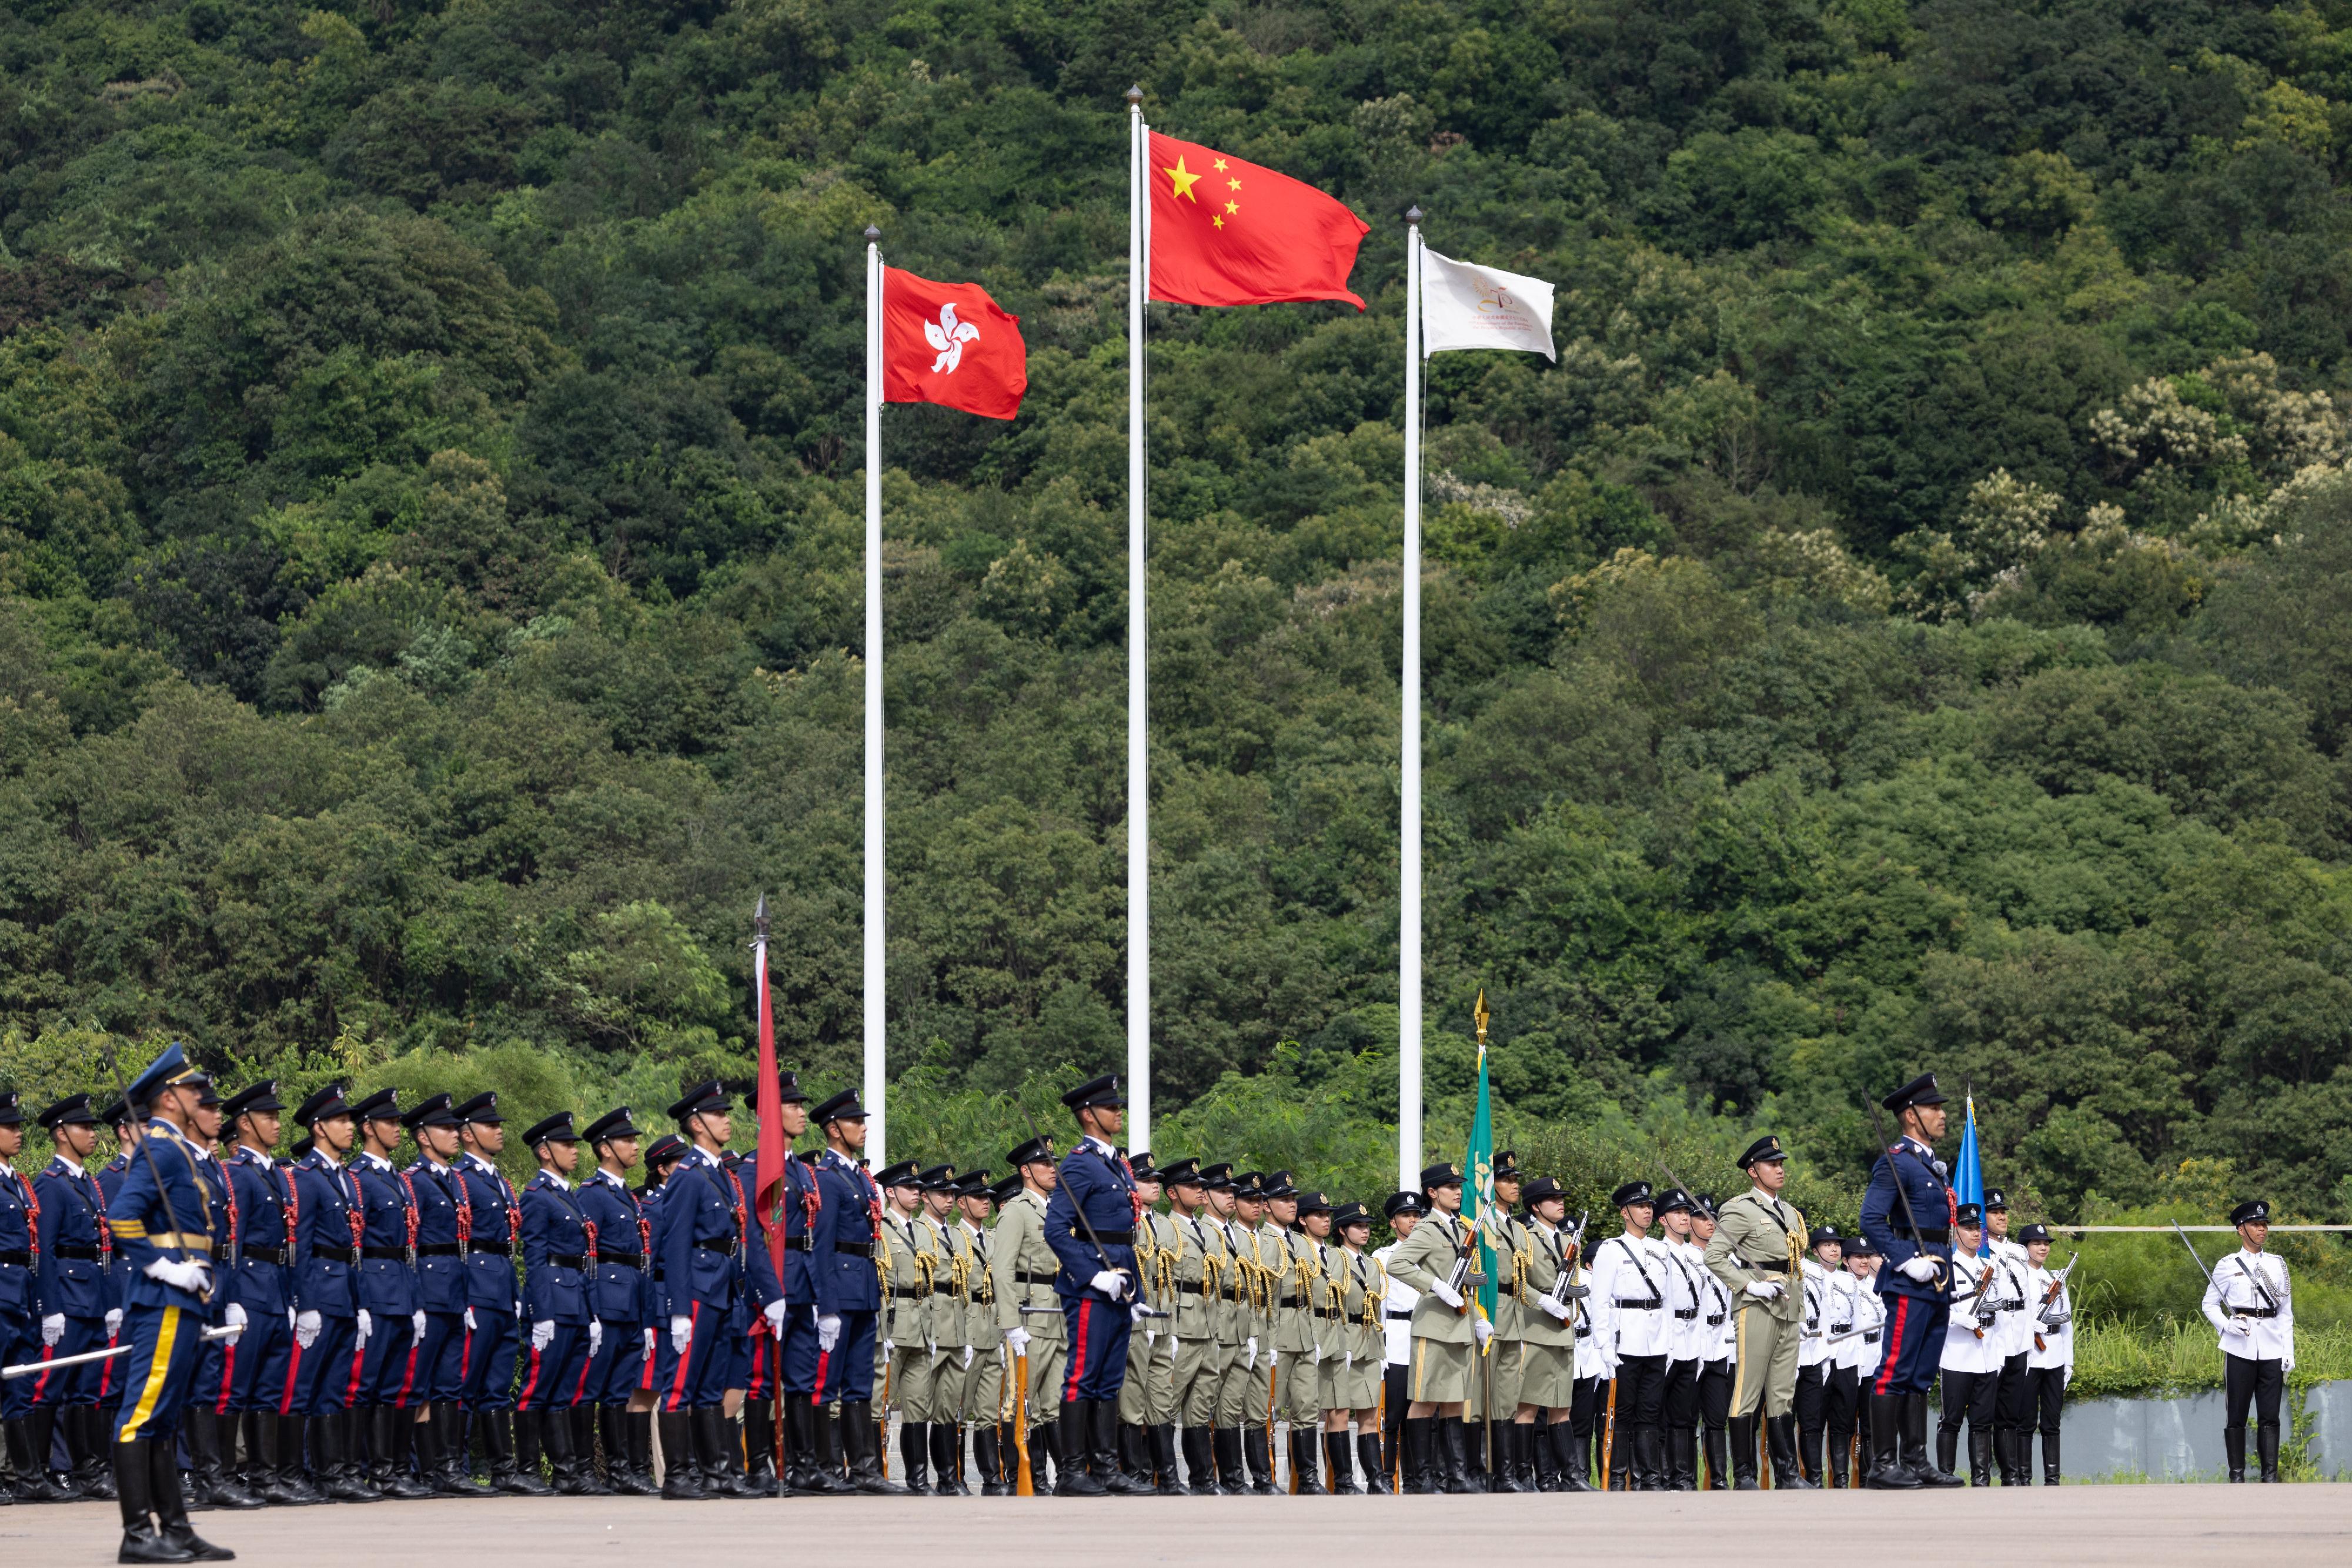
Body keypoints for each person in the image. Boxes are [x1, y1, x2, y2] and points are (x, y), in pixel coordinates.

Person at [106, 1042, 238, 1564]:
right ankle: (137, 1534)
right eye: (191, 1089)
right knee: (141, 1415)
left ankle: (176, 1528)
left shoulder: (177, 1148)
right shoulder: (161, 1147)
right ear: (168, 1098)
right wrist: (165, 1267)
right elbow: (122, 1216)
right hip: (164, 1297)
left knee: (164, 1417)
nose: (200, 1096)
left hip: (183, 1301)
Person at [652, 1082, 786, 1499]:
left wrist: (771, 1293)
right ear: (696, 1123)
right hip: (697, 1286)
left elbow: (747, 1237)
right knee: (681, 1384)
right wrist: (677, 1308)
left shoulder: (722, 1176)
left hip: (725, 1287)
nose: (727, 1118)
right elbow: (673, 1244)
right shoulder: (688, 1177)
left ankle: (717, 1473)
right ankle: (678, 1476)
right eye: (718, 1113)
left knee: (712, 1385)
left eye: (727, 1112)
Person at [1857, 1073, 1962, 1489]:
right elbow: (1870, 1219)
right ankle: (1882, 1464)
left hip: (1938, 1279)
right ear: (1911, 1115)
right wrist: (1905, 1261)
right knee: (1894, 1370)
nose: (1943, 1114)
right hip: (1910, 1281)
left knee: (1921, 1373)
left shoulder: (1931, 1165)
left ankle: (1915, 1460)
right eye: (1934, 1108)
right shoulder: (1896, 1161)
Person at [1041, 1074, 1143, 1496]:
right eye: (1110, 1107)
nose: (1119, 1111)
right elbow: (1056, 1229)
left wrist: (1135, 1290)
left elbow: (1125, 1235)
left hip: (1119, 1285)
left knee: (1108, 1379)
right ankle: (1071, 1471)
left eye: (1118, 1106)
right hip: (1090, 1288)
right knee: (1082, 1376)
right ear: (1088, 1114)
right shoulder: (1080, 1162)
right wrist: (1093, 1275)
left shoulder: (1114, 1162)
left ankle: (1105, 1467)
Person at [1701, 1134, 1810, 1489]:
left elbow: (1796, 1264)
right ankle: (1745, 1474)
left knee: (1783, 1393)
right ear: (1753, 1171)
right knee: (1748, 1390)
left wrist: (1801, 1310)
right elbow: (1714, 1255)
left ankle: (1788, 1474)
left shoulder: (1792, 1213)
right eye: (1771, 1164)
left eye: (1781, 1164)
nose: (1779, 1169)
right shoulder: (1739, 1208)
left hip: (1788, 1305)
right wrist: (1749, 1285)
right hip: (1757, 1304)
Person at [397, 1092, 490, 1499]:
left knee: (449, 1383)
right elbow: (410, 1242)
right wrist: (415, 1297)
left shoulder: (455, 1179)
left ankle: (449, 1466)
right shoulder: (413, 1180)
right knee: (419, 1382)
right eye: (446, 1129)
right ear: (422, 1136)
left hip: (455, 1290)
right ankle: (415, 1467)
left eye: (456, 1128)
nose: (455, 1134)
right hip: (429, 1289)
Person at [288, 1084, 376, 1503]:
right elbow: (300, 1246)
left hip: (343, 1291)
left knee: (334, 1387)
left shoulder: (347, 1180)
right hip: (320, 1294)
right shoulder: (306, 1177)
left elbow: (354, 1249)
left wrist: (360, 1304)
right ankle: (293, 1472)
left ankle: (333, 1472)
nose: (351, 1127)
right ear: (319, 1127)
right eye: (342, 1120)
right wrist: (305, 1303)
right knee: (303, 1386)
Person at [345, 1089, 432, 1500]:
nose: (398, 1127)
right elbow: (356, 1244)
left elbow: (409, 1244)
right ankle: (358, 1469)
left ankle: (391, 1469)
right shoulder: (359, 1177)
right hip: (376, 1289)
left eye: (399, 1121)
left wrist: (416, 1301)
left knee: (395, 1385)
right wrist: (361, 1301)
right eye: (390, 1122)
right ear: (368, 1128)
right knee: (365, 1385)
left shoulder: (396, 1177)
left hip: (400, 1286)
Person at [453, 1091, 540, 1496]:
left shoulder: (497, 1179)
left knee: (497, 1382)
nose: (499, 1130)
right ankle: (455, 1466)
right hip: (478, 1286)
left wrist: (515, 1290)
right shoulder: (461, 1178)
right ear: (468, 1133)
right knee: (466, 1382)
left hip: (503, 1286)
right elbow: (458, 1241)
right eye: (490, 1125)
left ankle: (503, 1468)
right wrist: (465, 1295)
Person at [182, 1080, 261, 1512]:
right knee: (184, 1383)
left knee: (206, 1386)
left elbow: (225, 1237)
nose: (218, 1115)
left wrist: (227, 1291)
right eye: (209, 1108)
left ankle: (212, 1477)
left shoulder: (213, 1166)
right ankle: (189, 1478)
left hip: (214, 1284)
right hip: (185, 1287)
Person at [514, 1112, 603, 1495]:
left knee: (564, 1389)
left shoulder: (567, 1195)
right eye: (567, 1144)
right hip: (552, 1296)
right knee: (537, 1387)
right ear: (545, 1151)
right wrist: (542, 1313)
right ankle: (527, 1469)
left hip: (576, 1298)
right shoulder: (536, 1196)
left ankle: (566, 1472)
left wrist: (592, 1312)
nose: (574, 1150)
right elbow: (534, 1257)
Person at [31, 1093, 113, 1503]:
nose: (94, 1134)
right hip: (66, 1295)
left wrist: (109, 1300)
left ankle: (88, 1467)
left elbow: (104, 1247)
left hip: (93, 1296)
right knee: (51, 1387)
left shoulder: (88, 1183)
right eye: (85, 1127)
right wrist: (51, 1307)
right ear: (62, 1134)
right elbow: (43, 1250)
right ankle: (46, 1469)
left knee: (88, 1389)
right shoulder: (50, 1184)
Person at [808, 1089, 890, 1492]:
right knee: (826, 1383)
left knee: (860, 1383)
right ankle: (824, 1467)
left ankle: (864, 1469)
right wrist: (825, 1306)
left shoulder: (858, 1174)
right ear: (833, 1129)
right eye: (856, 1121)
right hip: (839, 1289)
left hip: (862, 1285)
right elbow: (821, 1247)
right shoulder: (825, 1177)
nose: (863, 1127)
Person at [1384, 1161, 1480, 1495]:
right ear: (1432, 1193)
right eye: (1450, 1187)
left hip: (1459, 1323)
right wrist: (1435, 1285)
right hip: (1434, 1324)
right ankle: (1422, 1479)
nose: (1457, 1192)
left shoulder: (1458, 1228)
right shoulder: (1426, 1228)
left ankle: (1455, 1476)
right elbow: (1397, 1264)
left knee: (1455, 1401)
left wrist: (1478, 1320)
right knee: (1424, 1401)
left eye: (1459, 1186)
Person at [576, 1106, 657, 1496]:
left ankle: (622, 1471)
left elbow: (641, 1257)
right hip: (606, 1301)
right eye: (628, 1140)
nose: (635, 1145)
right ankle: (582, 1470)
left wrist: (646, 1316)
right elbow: (587, 1256)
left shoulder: (629, 1196)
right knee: (592, 1389)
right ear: (605, 1148)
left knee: (619, 1392)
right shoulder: (592, 1194)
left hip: (631, 1302)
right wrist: (591, 1310)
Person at [991, 1134, 1064, 1490]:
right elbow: (1002, 1270)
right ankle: (1020, 1477)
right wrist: (1011, 1324)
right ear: (1026, 1171)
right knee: (1020, 1400)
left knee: (1055, 1403)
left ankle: (1064, 1477)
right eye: (1045, 1164)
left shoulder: (1059, 1210)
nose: (1053, 1169)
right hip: (1029, 1318)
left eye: (1054, 1163)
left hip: (1058, 1316)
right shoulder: (1017, 1210)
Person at [2202, 1198, 2293, 1483]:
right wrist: (2227, 1325)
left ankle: (2270, 1476)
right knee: (2237, 1415)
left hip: (2272, 1346)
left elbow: (2286, 1312)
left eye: (2264, 1224)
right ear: (2241, 1229)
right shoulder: (2227, 1265)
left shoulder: (2277, 1264)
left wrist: (2287, 1351)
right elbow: (2209, 1304)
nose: (2262, 1230)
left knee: (2270, 1416)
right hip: (2239, 1347)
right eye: (2256, 1225)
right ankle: (2237, 1476)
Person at [1591, 1179, 1672, 1490]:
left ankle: (1648, 1477)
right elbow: (1599, 1301)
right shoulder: (1611, 1250)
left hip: (1656, 1343)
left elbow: (1669, 1300)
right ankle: (1617, 1476)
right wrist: (1604, 1346)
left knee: (1650, 1413)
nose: (1648, 1211)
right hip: (1626, 1342)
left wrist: (1670, 1345)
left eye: (1650, 1206)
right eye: (1640, 1207)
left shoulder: (1661, 1250)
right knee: (1621, 1413)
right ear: (1625, 1213)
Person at [1158, 1156, 1226, 1495]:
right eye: (1191, 1186)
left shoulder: (1209, 1231)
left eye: (1201, 1186)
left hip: (1208, 1322)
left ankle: (1202, 1479)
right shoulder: (1167, 1228)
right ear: (1172, 1193)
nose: (1200, 1191)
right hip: (1182, 1323)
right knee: (1169, 1403)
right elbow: (1162, 1278)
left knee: (1200, 1406)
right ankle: (1165, 1478)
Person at [875, 1158, 940, 1491]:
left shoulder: (926, 1232)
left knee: (918, 1406)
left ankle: (918, 1477)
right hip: (893, 1324)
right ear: (890, 1192)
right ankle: (872, 1474)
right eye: (909, 1188)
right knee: (878, 1402)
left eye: (918, 1188)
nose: (916, 1193)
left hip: (922, 1326)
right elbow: (877, 1279)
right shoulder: (880, 1228)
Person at [1516, 1176, 1584, 1493]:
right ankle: (1525, 1477)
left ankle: (1569, 1476)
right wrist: (1543, 1300)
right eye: (1552, 1199)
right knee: (1528, 1406)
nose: (1560, 1203)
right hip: (1536, 1327)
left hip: (1562, 1328)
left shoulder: (1567, 1240)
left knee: (1561, 1407)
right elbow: (1517, 1282)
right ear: (1535, 1206)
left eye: (1561, 1198)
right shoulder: (1525, 1238)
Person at [1117, 1156, 1180, 1493]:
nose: (1154, 1184)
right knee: (1132, 1398)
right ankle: (1135, 1475)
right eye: (1146, 1179)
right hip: (1135, 1320)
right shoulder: (1126, 1219)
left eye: (1156, 1179)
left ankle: (1167, 1476)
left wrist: (1172, 1324)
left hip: (1161, 1320)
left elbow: (1171, 1278)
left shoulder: (1166, 1227)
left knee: (1161, 1397)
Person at [1936, 1205, 2004, 1486]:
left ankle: (1981, 1478)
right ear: (1956, 1233)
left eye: (1978, 1229)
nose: (1976, 1234)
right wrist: (1956, 1318)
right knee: (1951, 1419)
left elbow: (1998, 1312)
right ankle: (1946, 1475)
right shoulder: (1945, 1267)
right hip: (1957, 1354)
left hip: (1986, 1352)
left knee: (1982, 1421)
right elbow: (1936, 1307)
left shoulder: (1990, 1267)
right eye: (1969, 1229)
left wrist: (1999, 1354)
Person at [1264, 1171, 1324, 1492]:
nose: (1291, 1204)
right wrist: (1267, 1339)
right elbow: (1265, 1295)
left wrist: (1315, 1336)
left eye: (1292, 1198)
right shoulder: (1263, 1240)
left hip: (1303, 1330)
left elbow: (1314, 1292)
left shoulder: (1302, 1243)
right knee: (1267, 1407)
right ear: (1266, 1205)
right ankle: (1267, 1477)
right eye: (1284, 1199)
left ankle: (1308, 1478)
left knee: (1307, 1409)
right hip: (1279, 1330)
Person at [1323, 1199, 1385, 1494]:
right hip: (1344, 1337)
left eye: (1367, 1227)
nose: (1365, 1231)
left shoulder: (1372, 1263)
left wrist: (1381, 1348)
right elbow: (1330, 1301)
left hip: (1370, 1339)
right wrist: (1337, 1343)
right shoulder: (1335, 1259)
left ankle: (1376, 1479)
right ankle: (1343, 1481)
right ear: (1343, 1229)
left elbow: (1378, 1307)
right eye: (1359, 1226)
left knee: (1370, 1415)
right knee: (1339, 1413)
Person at [0, 1091, 44, 1504]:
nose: (18, 1132)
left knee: (19, 1384)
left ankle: (27, 1476)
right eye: (9, 1126)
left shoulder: (18, 1181)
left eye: (18, 1125)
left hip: (21, 1294)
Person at [1479, 1154, 1531, 1491]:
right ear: (1491, 1183)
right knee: (1481, 1397)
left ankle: (1506, 1473)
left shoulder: (1519, 1228)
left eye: (1516, 1180)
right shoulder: (1481, 1222)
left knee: (1507, 1399)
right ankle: (1481, 1471)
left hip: (1515, 1312)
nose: (1515, 1185)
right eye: (1507, 1179)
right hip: (1490, 1309)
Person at [1652, 1188, 1702, 1492]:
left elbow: (1706, 1302)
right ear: (1662, 1219)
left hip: (1692, 1339)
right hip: (1664, 1338)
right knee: (1658, 1413)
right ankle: (1658, 1475)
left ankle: (1682, 1477)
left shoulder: (1698, 1256)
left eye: (1687, 1213)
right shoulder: (1656, 1252)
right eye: (1677, 1213)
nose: (1684, 1218)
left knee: (1684, 1415)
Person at [1374, 1191, 1422, 1492]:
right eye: (1406, 1216)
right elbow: (1378, 1305)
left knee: (1422, 1417)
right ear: (1394, 1223)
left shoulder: (1431, 1255)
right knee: (1393, 1417)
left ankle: (1418, 1480)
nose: (1413, 1220)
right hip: (1396, 1339)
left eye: (1417, 1215)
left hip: (1426, 1339)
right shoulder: (1383, 1258)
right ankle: (1387, 1479)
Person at [1685, 1195, 1735, 1490]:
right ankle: (1686, 1478)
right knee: (1687, 1416)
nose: (1710, 1223)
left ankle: (1718, 1479)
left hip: (1720, 1343)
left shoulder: (1725, 1260)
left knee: (1717, 1417)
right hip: (1692, 1340)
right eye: (1703, 1217)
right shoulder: (1681, 1255)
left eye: (1712, 1218)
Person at [2018, 1223, 2071, 1485]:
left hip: (2054, 1357)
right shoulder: (2020, 1277)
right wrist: (2029, 1328)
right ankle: (2024, 1477)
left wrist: (2068, 1362)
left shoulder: (2055, 1280)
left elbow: (2067, 1323)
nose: (2043, 1248)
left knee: (2052, 1421)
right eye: (2037, 1243)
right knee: (2025, 1420)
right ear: (2025, 1247)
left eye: (2046, 1244)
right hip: (2029, 1357)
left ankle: (2053, 1478)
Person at [1832, 1235, 1886, 1489]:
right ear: (1846, 1261)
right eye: (1858, 1257)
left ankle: (1869, 1478)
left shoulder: (1878, 1288)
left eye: (1867, 1257)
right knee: (1843, 1423)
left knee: (1871, 1424)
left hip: (1874, 1361)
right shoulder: (1839, 1285)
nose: (1864, 1261)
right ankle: (1841, 1479)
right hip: (1848, 1359)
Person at [1795, 1225, 1840, 1485]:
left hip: (1813, 1353)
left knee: (1811, 1421)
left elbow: (1824, 1315)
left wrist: (1824, 1356)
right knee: (1783, 1416)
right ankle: (1787, 1475)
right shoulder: (1775, 1268)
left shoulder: (1815, 1271)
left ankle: (1815, 1478)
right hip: (1787, 1353)